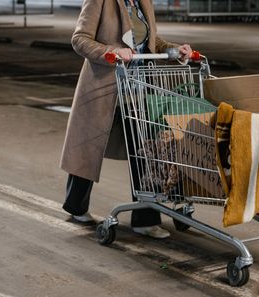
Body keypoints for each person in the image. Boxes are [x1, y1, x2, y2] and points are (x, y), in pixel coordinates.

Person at [60, 0, 193, 238]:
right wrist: (110, 52)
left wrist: (175, 50)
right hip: (105, 86)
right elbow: (80, 39)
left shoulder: (144, 3)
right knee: (88, 146)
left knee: (146, 149)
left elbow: (151, 42)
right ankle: (75, 205)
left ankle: (145, 219)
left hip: (138, 89)